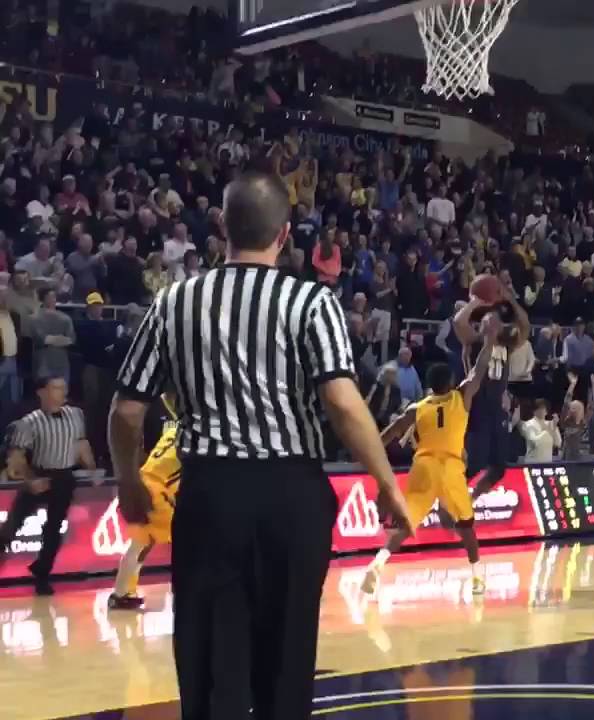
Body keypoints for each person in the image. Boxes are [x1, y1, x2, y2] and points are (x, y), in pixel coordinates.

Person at [108, 171, 411, 720]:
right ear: (284, 233)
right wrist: (386, 485)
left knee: (207, 669)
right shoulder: (312, 302)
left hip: (210, 496)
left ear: (222, 226)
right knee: (286, 667)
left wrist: (129, 481)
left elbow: (127, 411)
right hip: (290, 496)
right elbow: (343, 404)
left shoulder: (174, 301)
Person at [362, 347, 495, 597]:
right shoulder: (461, 397)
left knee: (406, 524)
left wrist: (369, 452)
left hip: (423, 466)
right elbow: (479, 369)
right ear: (451, 382)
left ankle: (376, 563)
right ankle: (477, 578)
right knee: (466, 525)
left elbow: (390, 433)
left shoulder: (417, 407)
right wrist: (489, 339)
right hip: (450, 467)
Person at [0, 377, 94, 596]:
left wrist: (91, 468)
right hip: (38, 473)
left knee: (53, 531)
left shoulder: (76, 415)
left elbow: (81, 443)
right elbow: (16, 459)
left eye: (63, 388)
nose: (61, 393)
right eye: (55, 388)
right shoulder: (28, 422)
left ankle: (42, 575)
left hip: (63, 477)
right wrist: (30, 480)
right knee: (12, 527)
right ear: (41, 392)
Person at [448, 288, 530, 496]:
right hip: (476, 404)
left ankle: (471, 499)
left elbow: (525, 326)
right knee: (474, 463)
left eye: (497, 321)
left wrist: (511, 300)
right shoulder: (473, 340)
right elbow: (458, 321)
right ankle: (450, 497)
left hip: (497, 408)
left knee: (499, 468)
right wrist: (476, 301)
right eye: (490, 320)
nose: (494, 324)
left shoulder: (506, 345)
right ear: (481, 323)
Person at [108, 393, 182, 610]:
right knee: (179, 542)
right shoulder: (195, 436)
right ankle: (121, 594)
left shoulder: (172, 430)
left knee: (141, 544)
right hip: (156, 490)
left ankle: (122, 593)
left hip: (144, 482)